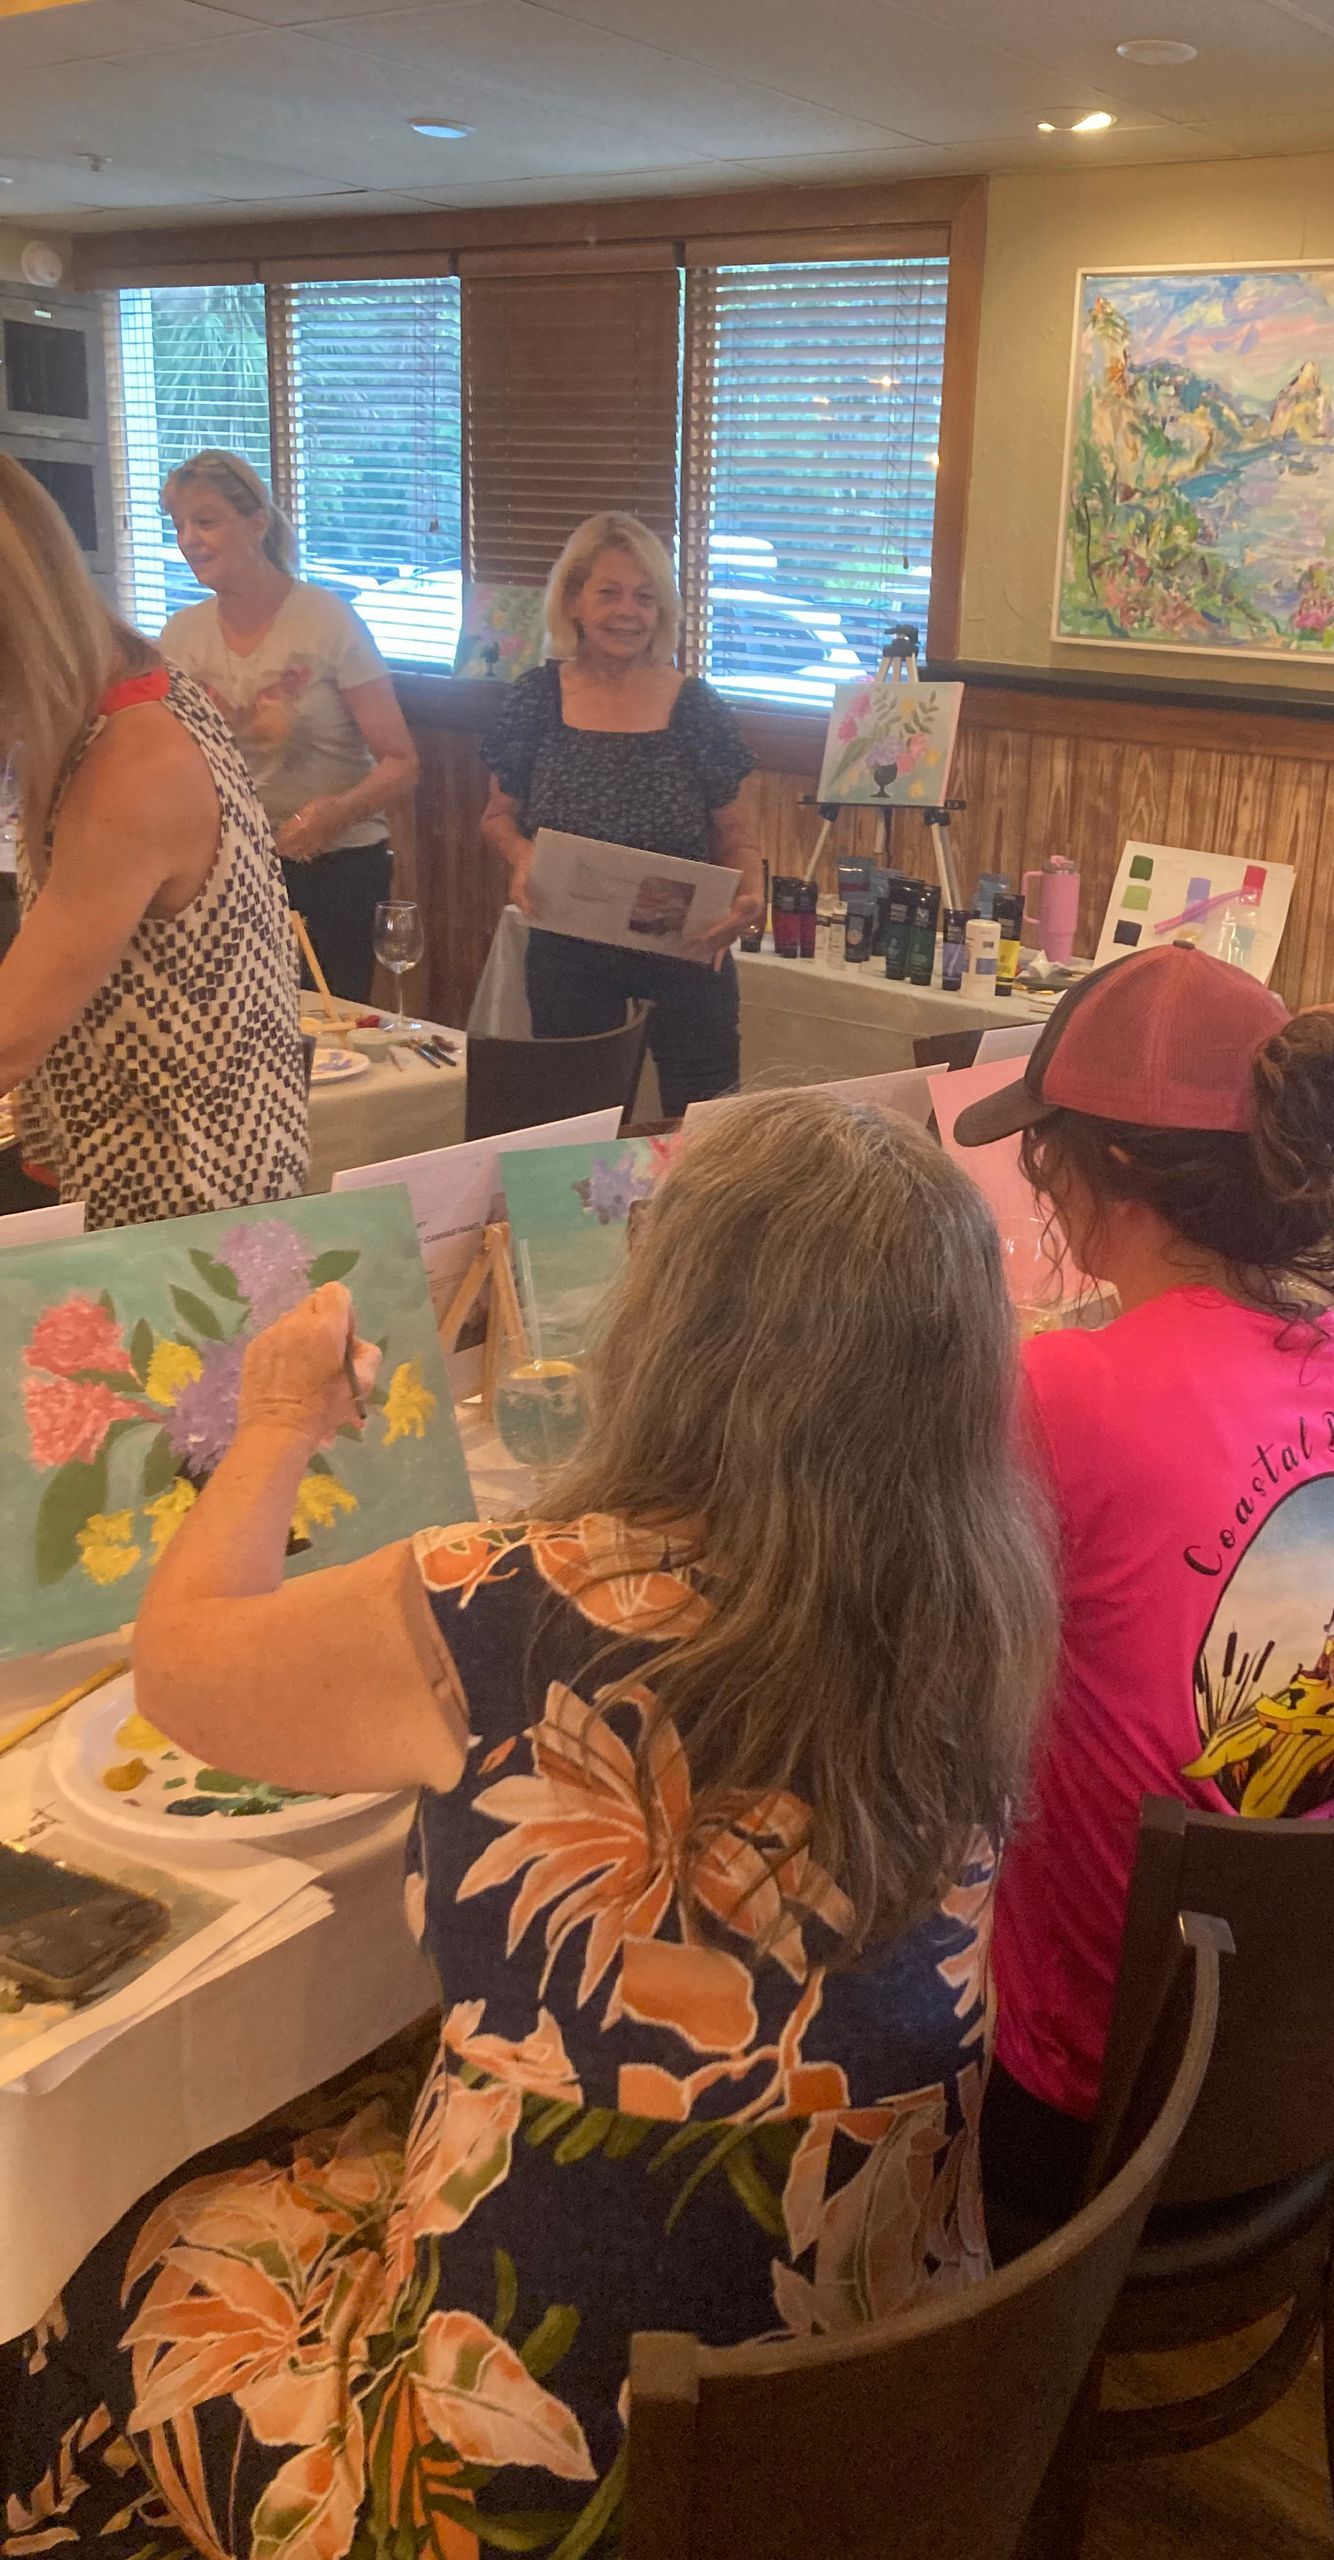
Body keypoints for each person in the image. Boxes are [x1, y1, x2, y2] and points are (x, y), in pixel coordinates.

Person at [0, 1089, 1054, 2557]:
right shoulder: (978, 1595)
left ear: (672, 1334)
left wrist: (286, 1418)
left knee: (133, 2248)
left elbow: (182, 1666)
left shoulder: (511, 1603)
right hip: (880, 2363)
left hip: (537, 2465)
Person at [952, 944, 1334, 2227]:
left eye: (1044, 1152)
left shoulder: (1068, 1391)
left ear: (1106, 1173)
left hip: (1089, 2064)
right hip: (1288, 2008)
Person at [0, 454, 306, 1228]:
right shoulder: (118, 691)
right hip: (132, 1168)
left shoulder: (134, 763)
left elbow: (10, 1037)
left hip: (181, 1197)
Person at [479, 514, 764, 1117]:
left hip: (686, 947)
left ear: (662, 612)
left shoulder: (697, 707)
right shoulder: (535, 698)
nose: (627, 611)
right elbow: (497, 817)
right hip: (568, 945)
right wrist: (522, 854)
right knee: (576, 1127)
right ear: (574, 601)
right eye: (608, 592)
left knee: (706, 1126)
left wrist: (750, 896)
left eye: (645, 596)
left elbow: (738, 840)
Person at [161, 449, 420, 1004]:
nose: (188, 539)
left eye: (205, 522)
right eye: (178, 525)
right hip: (224, 872)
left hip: (334, 869)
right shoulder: (179, 635)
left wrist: (338, 813)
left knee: (326, 1039)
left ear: (257, 524)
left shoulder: (327, 619)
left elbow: (402, 763)